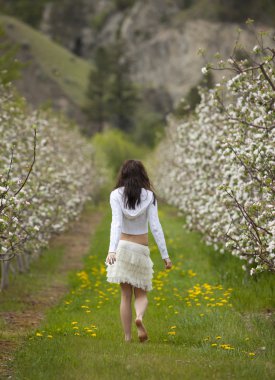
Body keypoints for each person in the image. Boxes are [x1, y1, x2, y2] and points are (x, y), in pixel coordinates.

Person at [105, 159, 172, 343]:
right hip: (141, 249)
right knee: (141, 294)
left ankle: (127, 338)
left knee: (125, 296)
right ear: (142, 175)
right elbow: (156, 227)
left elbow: (116, 224)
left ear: (123, 175)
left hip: (123, 247)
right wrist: (165, 256)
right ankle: (140, 317)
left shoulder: (115, 195)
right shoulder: (149, 196)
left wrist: (112, 250)